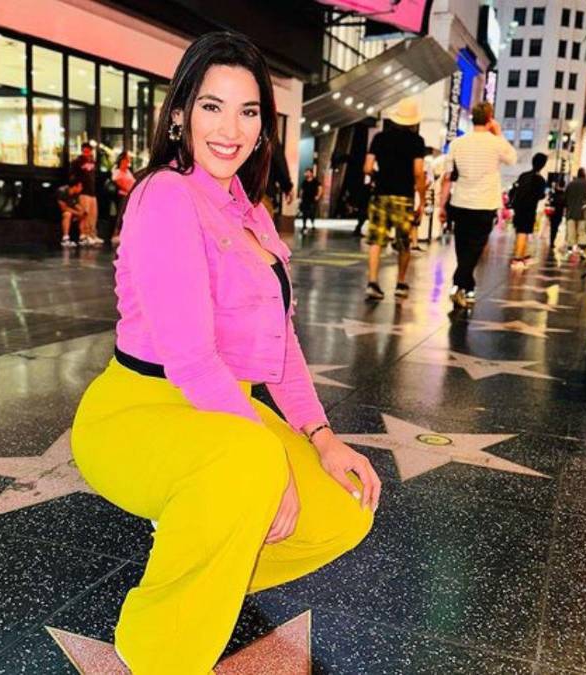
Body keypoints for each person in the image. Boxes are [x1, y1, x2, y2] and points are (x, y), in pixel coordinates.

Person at [70, 32, 379, 675]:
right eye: (212, 106)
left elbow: (283, 344)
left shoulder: (250, 211)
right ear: (181, 113)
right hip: (140, 410)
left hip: (223, 414)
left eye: (248, 111)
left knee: (344, 506)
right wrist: (273, 468)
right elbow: (189, 358)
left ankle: (198, 546)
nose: (229, 129)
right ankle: (155, 648)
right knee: (251, 465)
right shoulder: (164, 196)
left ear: (265, 126)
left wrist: (321, 438)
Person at [438, 102, 516, 308]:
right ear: (490, 118)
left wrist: (442, 205)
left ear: (472, 118)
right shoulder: (496, 143)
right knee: (475, 247)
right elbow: (512, 158)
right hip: (484, 203)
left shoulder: (457, 143)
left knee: (463, 247)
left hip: (460, 201)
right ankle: (458, 283)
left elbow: (448, 177)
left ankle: (467, 287)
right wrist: (499, 133)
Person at [363, 97, 426, 300]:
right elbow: (418, 172)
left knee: (376, 240)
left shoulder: (379, 138)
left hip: (380, 195)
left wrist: (378, 177)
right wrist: (422, 199)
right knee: (403, 242)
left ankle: (373, 283)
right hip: (404, 197)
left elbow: (367, 167)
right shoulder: (417, 141)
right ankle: (400, 283)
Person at [508, 152, 548, 270]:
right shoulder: (540, 179)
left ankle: (521, 255)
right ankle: (517, 259)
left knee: (520, 232)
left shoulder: (523, 175)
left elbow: (516, 189)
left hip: (518, 208)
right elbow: (540, 195)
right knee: (523, 232)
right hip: (529, 209)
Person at [70, 142, 101, 246]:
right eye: (85, 151)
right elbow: (72, 175)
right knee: (85, 214)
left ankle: (92, 234)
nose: (87, 153)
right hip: (83, 192)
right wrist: (77, 185)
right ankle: (84, 234)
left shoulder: (93, 162)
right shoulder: (77, 162)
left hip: (92, 192)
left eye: (89, 150)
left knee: (93, 214)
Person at [564, 167, 586, 255]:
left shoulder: (570, 184)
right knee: (582, 231)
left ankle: (570, 250)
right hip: (583, 212)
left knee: (571, 231)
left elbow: (565, 198)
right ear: (584, 174)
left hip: (571, 211)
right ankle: (582, 250)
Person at [112, 151, 137, 241]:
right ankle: (116, 233)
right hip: (122, 196)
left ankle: (125, 233)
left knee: (127, 215)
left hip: (129, 196)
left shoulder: (128, 171)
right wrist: (129, 190)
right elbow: (118, 183)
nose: (128, 161)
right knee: (121, 214)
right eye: (127, 159)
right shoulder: (117, 172)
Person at [56, 179, 85, 247]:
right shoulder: (62, 191)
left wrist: (82, 211)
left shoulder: (75, 194)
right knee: (67, 214)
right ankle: (65, 239)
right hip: (56, 212)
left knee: (83, 214)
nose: (82, 188)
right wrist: (77, 213)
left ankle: (82, 238)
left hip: (70, 210)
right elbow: (63, 208)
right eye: (80, 186)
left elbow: (76, 204)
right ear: (75, 187)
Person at [547, 183, 567, 252]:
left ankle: (552, 241)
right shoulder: (563, 195)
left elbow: (549, 202)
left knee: (553, 228)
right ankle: (552, 242)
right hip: (559, 214)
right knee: (555, 228)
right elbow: (565, 204)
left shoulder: (553, 195)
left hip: (553, 214)